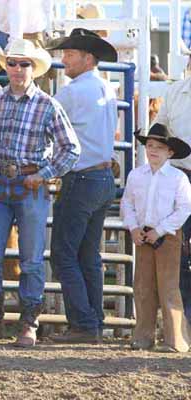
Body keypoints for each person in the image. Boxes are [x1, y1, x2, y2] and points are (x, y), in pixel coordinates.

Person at [0, 38, 80, 348]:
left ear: (34, 69)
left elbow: (71, 149)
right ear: (7, 67)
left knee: (30, 259)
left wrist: (43, 175)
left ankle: (28, 322)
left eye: (24, 64)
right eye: (13, 63)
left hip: (30, 185)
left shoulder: (48, 105)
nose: (17, 69)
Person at [45, 28, 118, 344]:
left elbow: (42, 114)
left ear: (87, 59)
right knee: (89, 254)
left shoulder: (73, 92)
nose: (64, 60)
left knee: (64, 254)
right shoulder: (107, 88)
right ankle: (94, 322)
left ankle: (84, 324)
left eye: (70, 55)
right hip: (103, 178)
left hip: (82, 177)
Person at [121, 123, 191, 352]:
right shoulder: (136, 175)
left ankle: (176, 340)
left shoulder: (178, 178)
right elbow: (127, 203)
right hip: (142, 234)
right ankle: (143, 337)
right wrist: (133, 228)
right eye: (149, 146)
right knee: (143, 286)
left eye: (159, 147)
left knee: (169, 286)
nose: (152, 151)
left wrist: (159, 230)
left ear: (169, 152)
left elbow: (184, 209)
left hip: (168, 236)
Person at [154, 48, 191, 322]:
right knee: (174, 248)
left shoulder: (177, 92)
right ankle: (181, 321)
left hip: (178, 175)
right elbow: (160, 129)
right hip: (178, 175)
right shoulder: (176, 92)